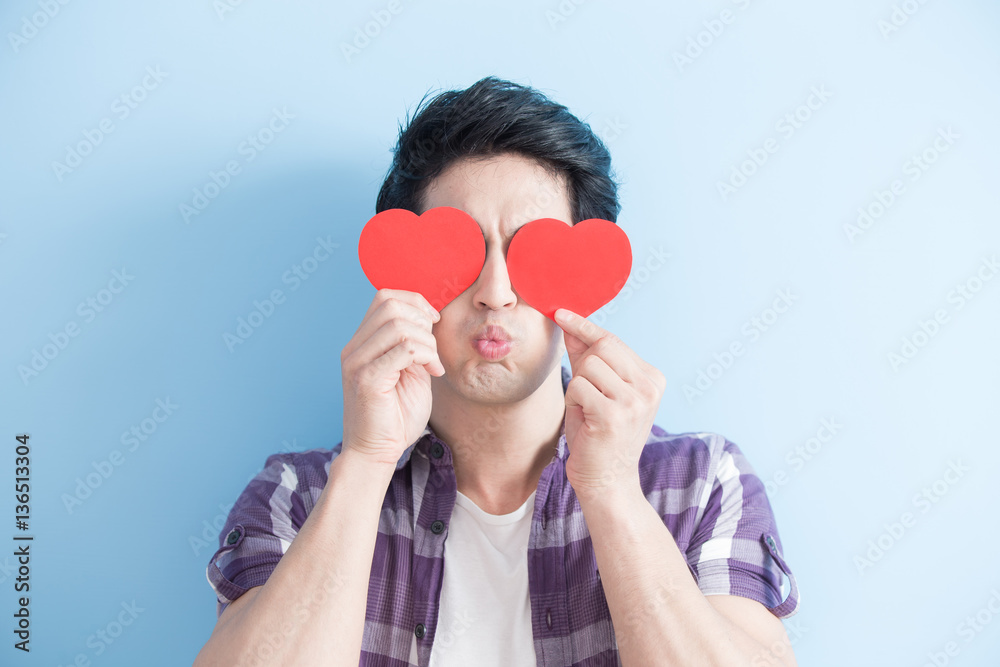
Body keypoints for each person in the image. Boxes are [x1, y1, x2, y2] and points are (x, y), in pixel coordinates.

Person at [194, 76, 800, 667]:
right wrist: (367, 462)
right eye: (463, 252)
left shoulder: (698, 485)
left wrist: (611, 489)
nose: (496, 293)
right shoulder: (298, 500)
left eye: (529, 251)